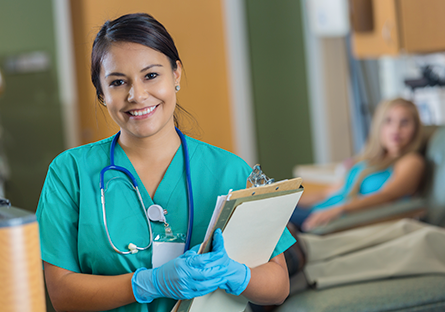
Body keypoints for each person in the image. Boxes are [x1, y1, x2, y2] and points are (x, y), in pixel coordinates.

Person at [36, 13, 295, 312]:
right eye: (118, 82)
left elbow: (278, 286)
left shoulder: (229, 170)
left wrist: (236, 275)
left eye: (151, 75)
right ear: (102, 94)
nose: (137, 95)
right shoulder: (69, 173)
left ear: (176, 75)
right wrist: (148, 283)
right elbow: (62, 295)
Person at [290, 97, 425, 232]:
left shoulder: (411, 161)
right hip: (319, 210)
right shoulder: (367, 160)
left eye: (405, 122)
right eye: (388, 121)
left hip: (336, 218)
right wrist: (290, 201)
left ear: (415, 128)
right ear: (379, 125)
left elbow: (387, 196)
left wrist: (340, 210)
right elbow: (329, 192)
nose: (396, 129)